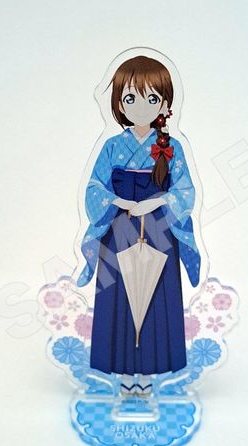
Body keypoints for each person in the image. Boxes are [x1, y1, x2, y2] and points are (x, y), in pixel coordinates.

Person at [77, 55, 201, 395]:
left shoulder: (171, 147)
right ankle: (122, 373)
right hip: (119, 227)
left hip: (159, 229)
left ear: (164, 103)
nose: (141, 106)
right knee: (117, 293)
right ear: (119, 104)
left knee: (157, 295)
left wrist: (158, 201)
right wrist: (117, 201)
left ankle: (149, 373)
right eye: (130, 98)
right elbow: (94, 188)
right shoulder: (112, 146)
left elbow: (185, 191)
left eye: (152, 98)